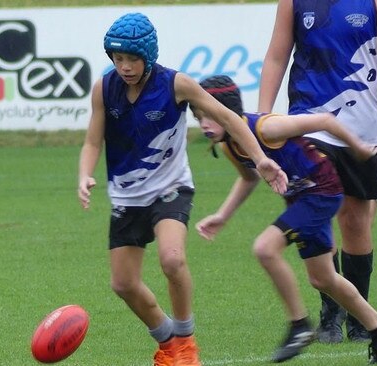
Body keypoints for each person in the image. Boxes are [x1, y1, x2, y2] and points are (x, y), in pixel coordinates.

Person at [77, 13, 287, 366]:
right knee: (123, 284)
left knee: (172, 260)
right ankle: (167, 342)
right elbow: (91, 142)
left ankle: (186, 344)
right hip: (127, 196)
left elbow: (229, 118)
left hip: (171, 188)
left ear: (149, 55)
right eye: (118, 58)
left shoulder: (176, 84)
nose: (124, 66)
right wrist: (84, 174)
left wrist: (260, 158)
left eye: (132, 58)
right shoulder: (104, 87)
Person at [194, 75, 377, 364]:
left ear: (226, 111)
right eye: (198, 116)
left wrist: (357, 148)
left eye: (208, 115)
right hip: (302, 199)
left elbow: (326, 122)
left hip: (322, 193)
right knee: (322, 278)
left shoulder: (267, 127)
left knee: (265, 248)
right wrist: (222, 215)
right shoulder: (231, 144)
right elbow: (248, 178)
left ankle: (299, 326)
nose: (203, 124)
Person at [258, 0, 377, 343]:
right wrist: (263, 117)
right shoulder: (293, 2)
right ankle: (331, 313)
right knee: (317, 214)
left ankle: (361, 317)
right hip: (308, 124)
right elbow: (276, 56)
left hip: (363, 129)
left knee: (355, 222)